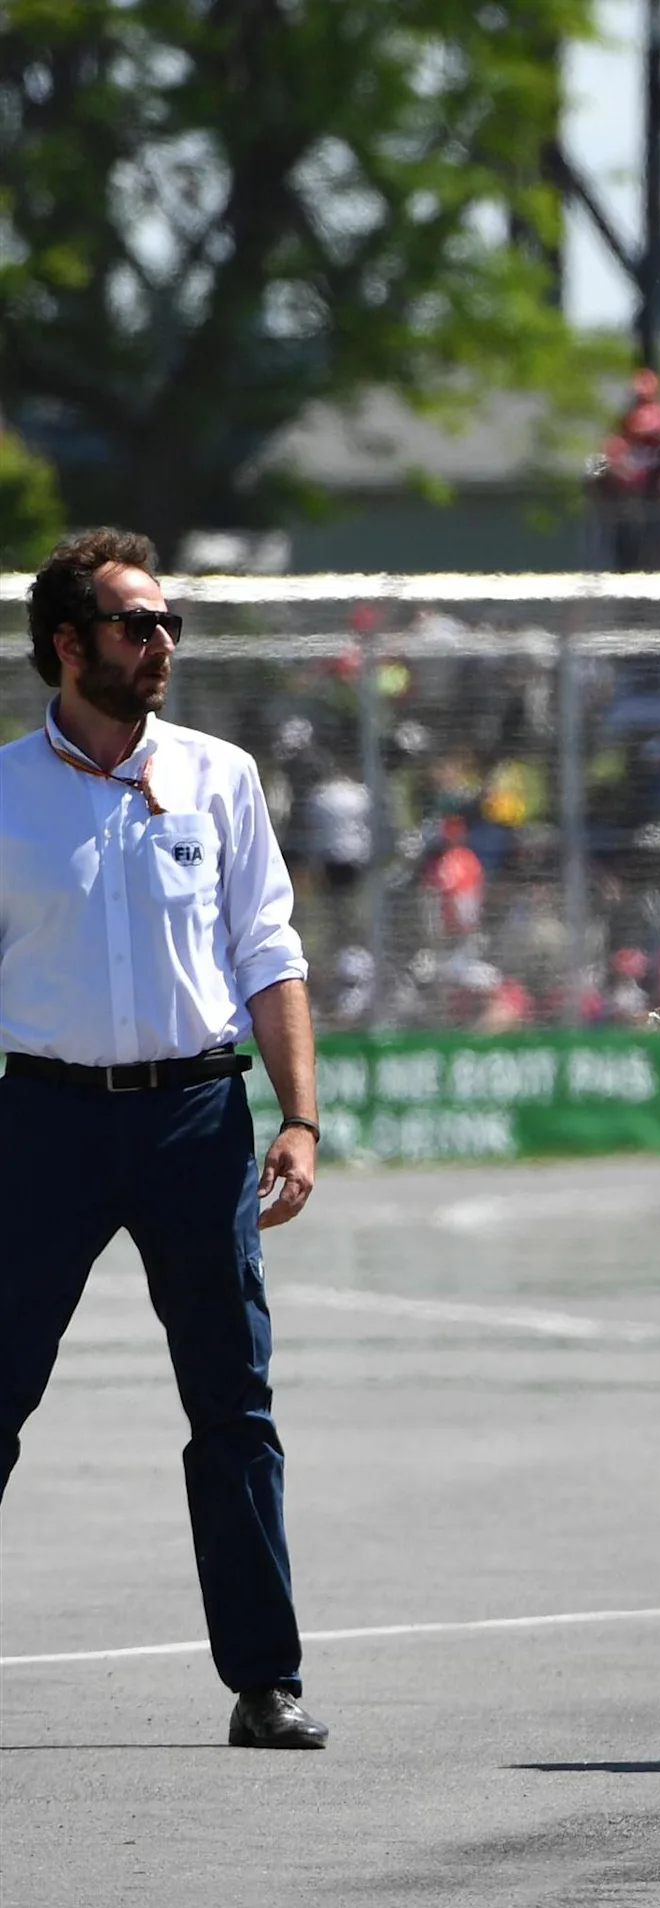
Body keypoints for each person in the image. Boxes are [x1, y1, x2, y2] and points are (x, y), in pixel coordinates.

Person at [0, 529, 328, 1750]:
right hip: (40, 1121)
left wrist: (296, 1118)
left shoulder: (219, 777)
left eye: (171, 624)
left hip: (198, 1117)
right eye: (139, 625)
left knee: (233, 1405)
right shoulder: (2, 793)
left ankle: (266, 1680)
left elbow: (270, 956)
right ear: (69, 644)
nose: (164, 645)